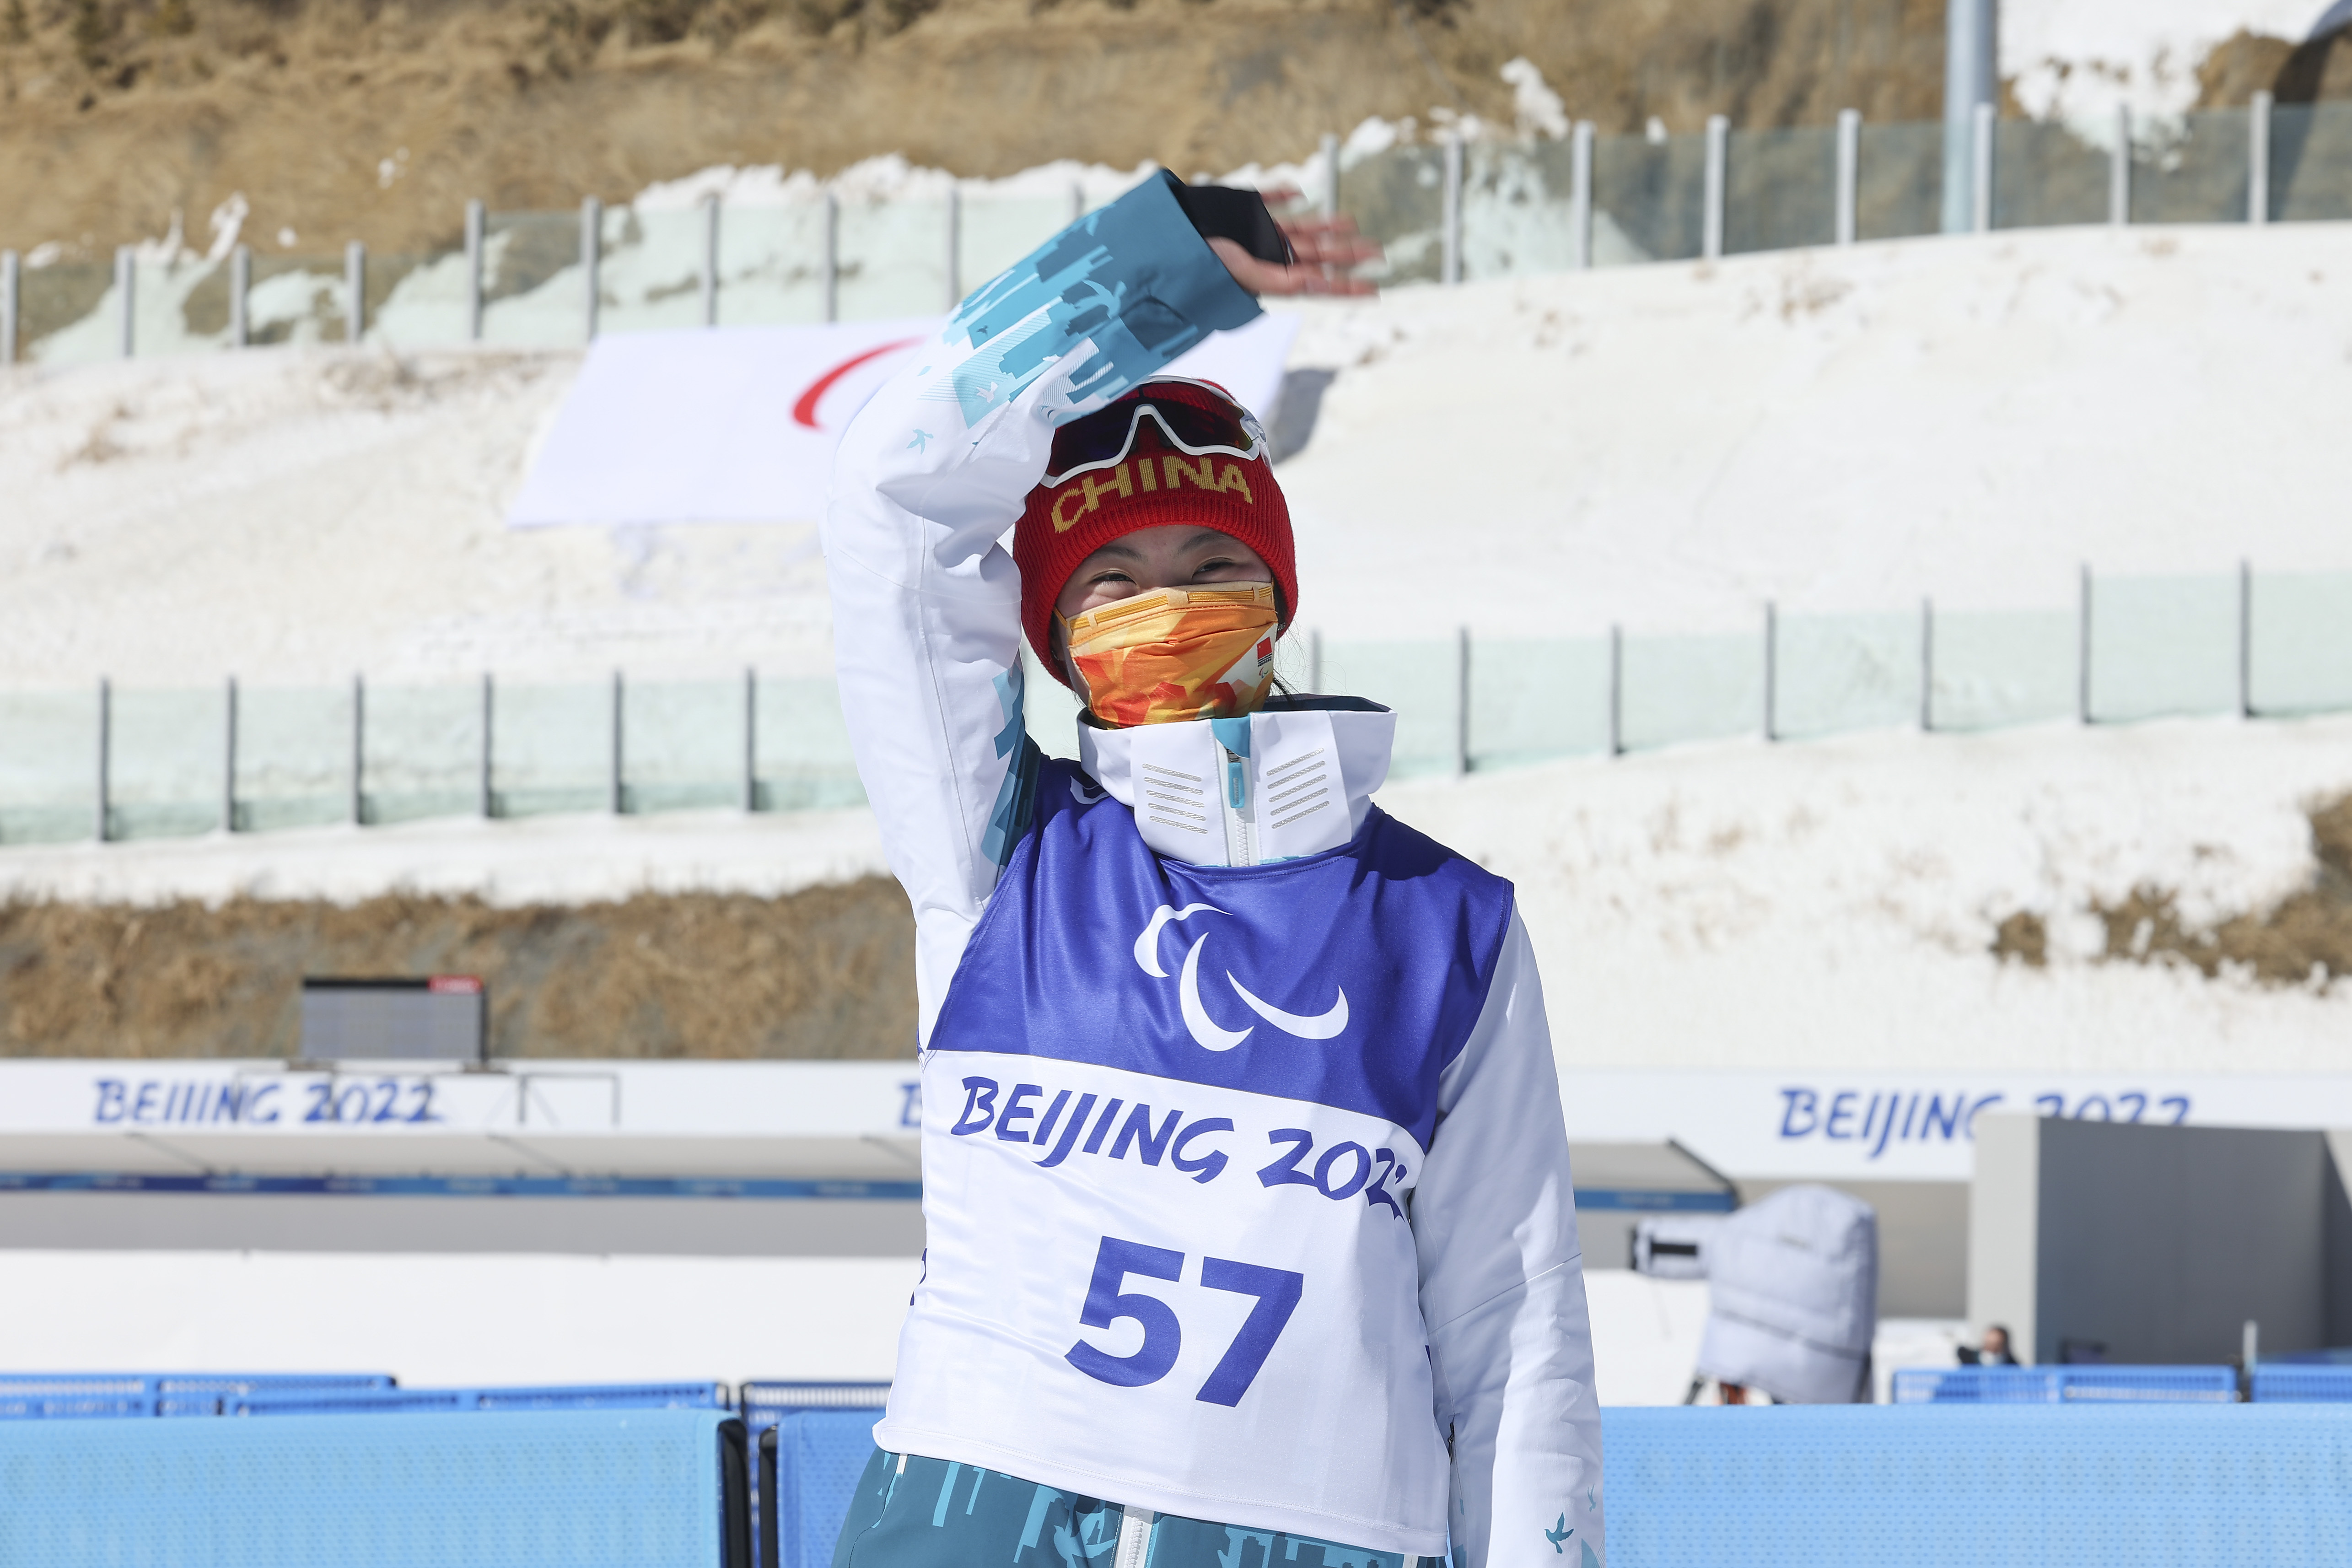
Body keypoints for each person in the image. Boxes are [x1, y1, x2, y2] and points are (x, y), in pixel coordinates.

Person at [821, 168, 1605, 1568]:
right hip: (977, 1517)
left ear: (1274, 600)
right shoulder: (1001, 851)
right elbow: (894, 499)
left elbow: (1516, 1331)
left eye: (1207, 565)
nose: (1167, 609)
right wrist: (1148, 275)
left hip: (1317, 1535)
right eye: (1112, 585)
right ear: (1052, 636)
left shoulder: (1444, 928)